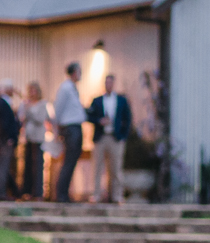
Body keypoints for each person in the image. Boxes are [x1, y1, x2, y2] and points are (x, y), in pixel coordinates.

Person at [88, 73, 133, 204]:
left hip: (115, 138)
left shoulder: (121, 100)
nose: (108, 85)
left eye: (110, 82)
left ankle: (117, 195)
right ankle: (96, 194)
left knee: (116, 168)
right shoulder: (96, 100)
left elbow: (128, 118)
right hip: (101, 137)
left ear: (113, 84)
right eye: (106, 82)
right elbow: (89, 116)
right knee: (97, 167)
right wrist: (99, 121)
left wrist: (123, 136)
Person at [51, 62, 86, 203]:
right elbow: (58, 109)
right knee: (69, 161)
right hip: (70, 128)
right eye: (79, 71)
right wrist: (56, 129)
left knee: (72, 161)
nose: (80, 74)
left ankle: (64, 193)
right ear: (73, 72)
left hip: (75, 127)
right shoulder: (65, 88)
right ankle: (61, 194)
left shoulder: (72, 88)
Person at [0, 83, 21, 201]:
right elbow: (4, 124)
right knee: (3, 166)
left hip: (1, 140)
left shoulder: (1, 103)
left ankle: (9, 191)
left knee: (4, 167)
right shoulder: (3, 104)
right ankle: (0, 192)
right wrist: (9, 138)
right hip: (4, 140)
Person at [20, 81, 48, 199]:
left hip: (38, 138)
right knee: (27, 164)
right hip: (28, 138)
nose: (31, 93)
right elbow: (21, 118)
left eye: (33, 90)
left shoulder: (42, 104)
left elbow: (40, 119)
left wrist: (29, 110)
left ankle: (38, 192)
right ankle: (27, 191)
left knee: (37, 165)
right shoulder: (25, 104)